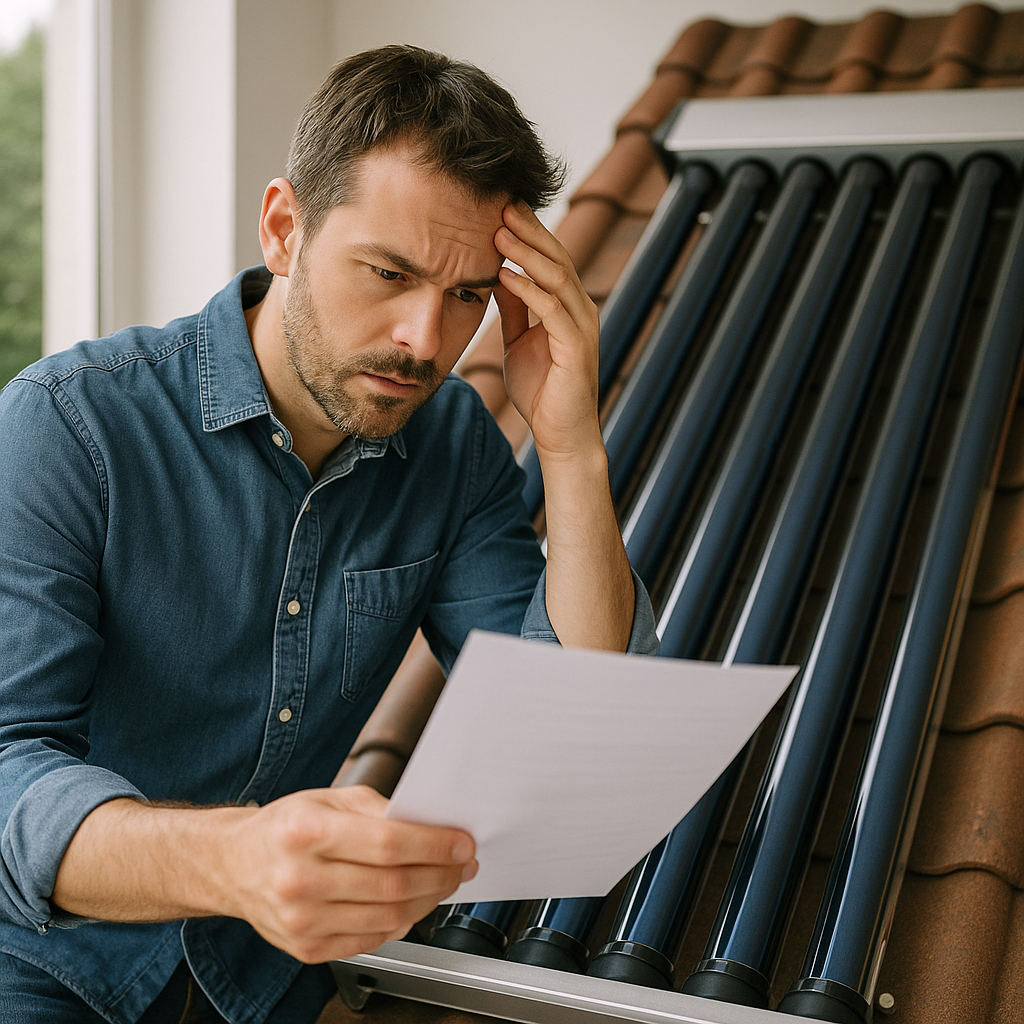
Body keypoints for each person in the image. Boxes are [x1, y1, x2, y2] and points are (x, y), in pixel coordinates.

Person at [0, 45, 657, 1023]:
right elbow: (9, 767)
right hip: (46, 968)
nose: (427, 341)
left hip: (264, 978)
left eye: (467, 295)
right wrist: (233, 857)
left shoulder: (453, 448)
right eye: (387, 273)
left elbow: (569, 719)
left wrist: (569, 446)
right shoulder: (68, 426)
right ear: (283, 228)